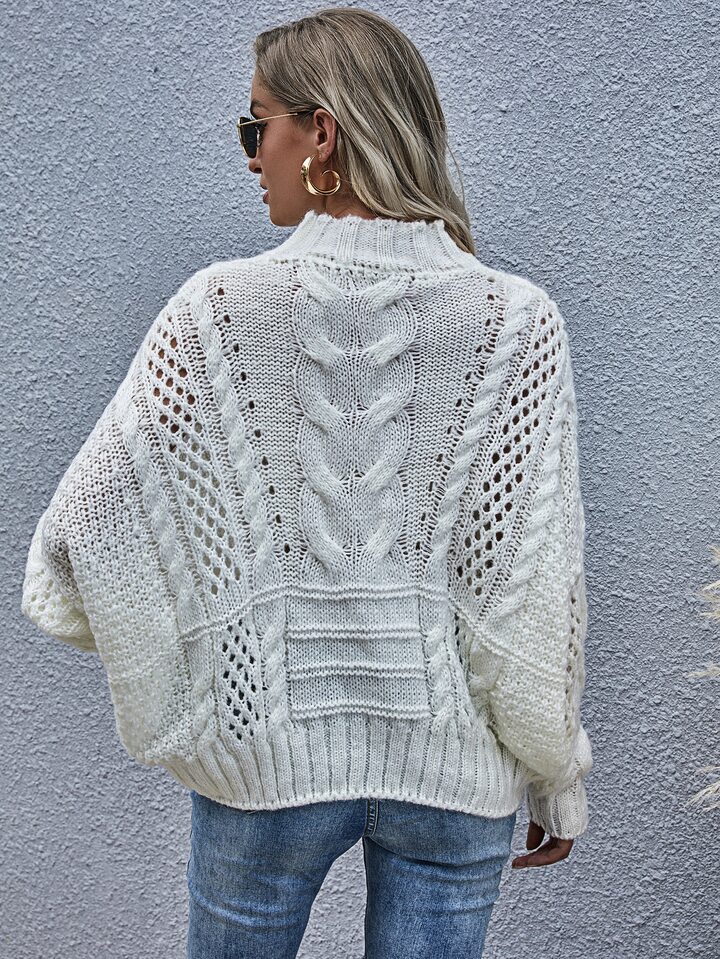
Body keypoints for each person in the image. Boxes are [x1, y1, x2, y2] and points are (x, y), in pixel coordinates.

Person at [20, 8, 593, 959]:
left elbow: (78, 539)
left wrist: (195, 658)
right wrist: (556, 771)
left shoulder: (214, 313)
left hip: (265, 764)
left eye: (257, 127)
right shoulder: (517, 323)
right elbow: (533, 590)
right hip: (456, 771)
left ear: (320, 132)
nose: (252, 156)